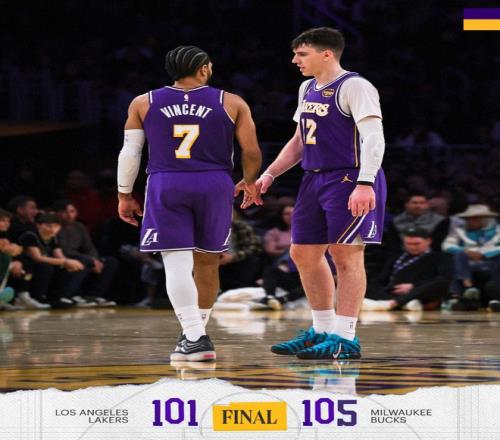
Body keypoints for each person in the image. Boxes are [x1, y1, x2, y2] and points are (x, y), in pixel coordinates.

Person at [117, 46, 262, 361]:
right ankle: (195, 335)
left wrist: (124, 194)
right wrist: (250, 181)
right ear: (204, 68)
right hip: (215, 182)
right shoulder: (231, 101)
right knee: (208, 261)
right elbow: (251, 151)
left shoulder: (143, 102)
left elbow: (130, 153)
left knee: (177, 263)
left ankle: (195, 336)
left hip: (168, 182)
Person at [252, 27, 387, 359]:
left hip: (350, 176)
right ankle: (322, 330)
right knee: (303, 254)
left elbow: (374, 137)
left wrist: (365, 182)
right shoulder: (307, 88)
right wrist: (270, 173)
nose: (295, 60)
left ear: (327, 54)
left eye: (302, 54)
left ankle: (346, 337)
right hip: (314, 178)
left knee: (346, 255)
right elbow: (299, 140)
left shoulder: (355, 86)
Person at [362, 228, 452, 311]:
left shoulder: (441, 257)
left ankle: (396, 303)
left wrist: (413, 286)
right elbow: (381, 279)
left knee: (440, 283)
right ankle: (404, 303)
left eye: (417, 244)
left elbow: (443, 279)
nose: (412, 247)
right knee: (366, 282)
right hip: (392, 291)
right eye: (408, 244)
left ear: (428, 241)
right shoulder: (396, 257)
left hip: (419, 291)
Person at [53, 200, 118, 307]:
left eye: (72, 211)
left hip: (83, 257)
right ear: (57, 213)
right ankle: (70, 295)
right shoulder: (54, 227)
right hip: (64, 258)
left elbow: (89, 247)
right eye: (64, 212)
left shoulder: (79, 226)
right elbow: (63, 250)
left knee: (110, 262)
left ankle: (93, 296)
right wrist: (90, 260)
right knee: (84, 261)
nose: (69, 215)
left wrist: (95, 259)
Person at [17, 213, 86, 308]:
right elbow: (37, 258)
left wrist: (68, 263)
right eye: (48, 226)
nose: (52, 229)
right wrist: (65, 262)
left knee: (67, 267)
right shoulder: (30, 235)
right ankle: (37, 297)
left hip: (41, 262)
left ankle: (56, 297)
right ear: (38, 225)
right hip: (26, 263)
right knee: (45, 268)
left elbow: (59, 256)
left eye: (56, 226)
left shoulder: (53, 237)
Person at [442, 204, 500, 311]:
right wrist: (466, 251)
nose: (469, 221)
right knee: (458, 256)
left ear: (485, 219)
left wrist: (485, 255)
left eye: (474, 219)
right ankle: (467, 287)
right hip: (468, 262)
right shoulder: (460, 230)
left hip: (491, 261)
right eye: (468, 219)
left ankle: (495, 296)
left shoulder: (497, 230)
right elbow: (446, 245)